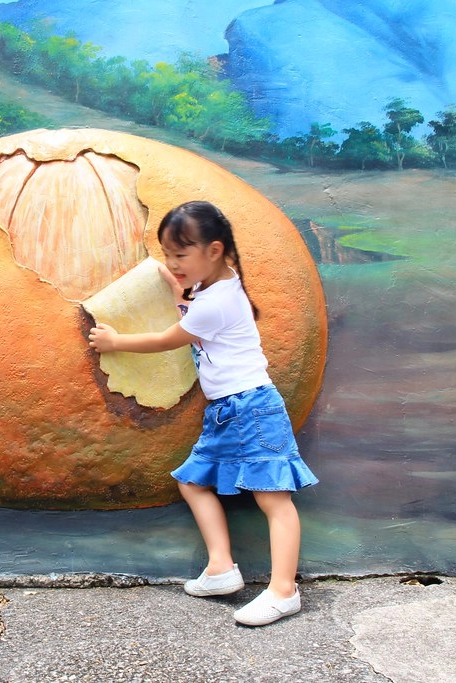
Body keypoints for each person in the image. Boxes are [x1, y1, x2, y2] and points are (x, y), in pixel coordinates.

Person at [88, 200, 318, 627]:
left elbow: (168, 338)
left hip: (252, 409)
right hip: (228, 411)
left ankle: (284, 591)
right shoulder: (219, 284)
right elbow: (190, 303)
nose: (173, 264)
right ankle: (221, 568)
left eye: (180, 254)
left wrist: (116, 342)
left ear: (213, 251)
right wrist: (172, 278)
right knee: (192, 482)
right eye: (168, 254)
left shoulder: (216, 302)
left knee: (274, 499)